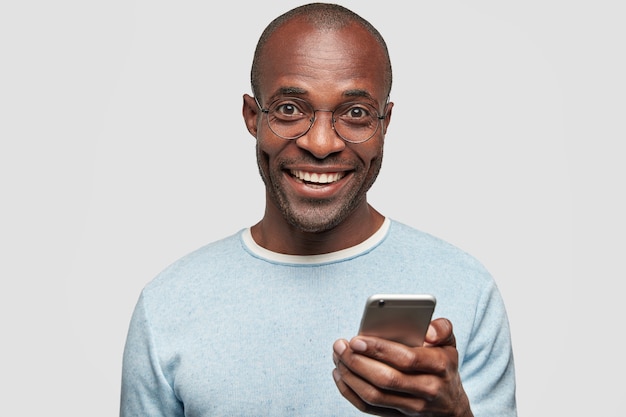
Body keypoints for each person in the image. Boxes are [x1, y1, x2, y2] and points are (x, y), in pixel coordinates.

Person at [120, 3, 517, 416]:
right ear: (253, 117)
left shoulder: (466, 288)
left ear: (385, 124)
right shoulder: (168, 304)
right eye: (291, 108)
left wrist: (453, 414)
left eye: (356, 113)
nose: (322, 144)